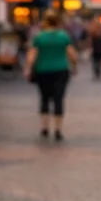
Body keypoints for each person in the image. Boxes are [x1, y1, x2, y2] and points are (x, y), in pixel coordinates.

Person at [25, 10, 77, 141]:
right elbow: (72, 55)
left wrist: (28, 68)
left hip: (43, 70)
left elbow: (32, 56)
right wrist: (74, 67)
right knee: (59, 99)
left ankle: (44, 127)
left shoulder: (39, 37)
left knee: (44, 98)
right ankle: (58, 130)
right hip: (61, 70)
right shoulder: (63, 36)